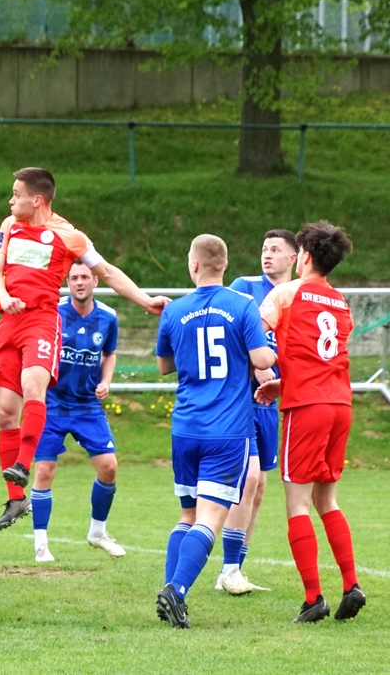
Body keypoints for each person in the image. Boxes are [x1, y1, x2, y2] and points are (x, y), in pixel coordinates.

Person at [0, 168, 168, 531]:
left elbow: (110, 272)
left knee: (33, 386)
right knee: (6, 414)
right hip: (8, 321)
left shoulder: (70, 236)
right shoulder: (9, 225)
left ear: (36, 200)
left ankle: (23, 463)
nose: (10, 201)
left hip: (41, 320)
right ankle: (16, 498)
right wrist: (4, 296)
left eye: (16, 194)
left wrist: (146, 300)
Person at [154, 234, 275, 629]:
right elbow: (261, 359)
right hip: (227, 430)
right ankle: (177, 591)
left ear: (193, 265)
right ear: (225, 265)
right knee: (209, 518)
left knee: (187, 514)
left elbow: (164, 366)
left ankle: (169, 589)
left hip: (186, 427)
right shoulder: (242, 304)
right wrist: (271, 349)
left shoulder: (174, 310)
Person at [256, 221, 365, 624]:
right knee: (326, 499)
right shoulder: (340, 301)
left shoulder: (286, 292)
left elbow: (253, 333)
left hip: (307, 408)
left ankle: (313, 597)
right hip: (340, 404)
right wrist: (284, 383)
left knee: (297, 503)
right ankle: (351, 585)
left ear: (302, 255)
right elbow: (322, 357)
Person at [214, 229, 297, 595]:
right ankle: (228, 569)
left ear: (294, 258)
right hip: (239, 401)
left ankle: (234, 570)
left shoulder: (296, 296)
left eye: (276, 249)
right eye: (264, 248)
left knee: (259, 487)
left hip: (269, 405)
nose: (267, 254)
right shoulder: (244, 288)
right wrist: (254, 362)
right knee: (246, 480)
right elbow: (223, 332)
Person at [31, 260, 124, 561]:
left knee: (109, 467)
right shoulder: (53, 312)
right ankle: (41, 545)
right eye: (73, 278)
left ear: (95, 281)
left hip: (87, 406)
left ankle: (98, 532)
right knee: (44, 470)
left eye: (85, 277)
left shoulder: (108, 317)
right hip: (51, 404)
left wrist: (106, 381)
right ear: (68, 282)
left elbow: (109, 353)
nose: (79, 282)